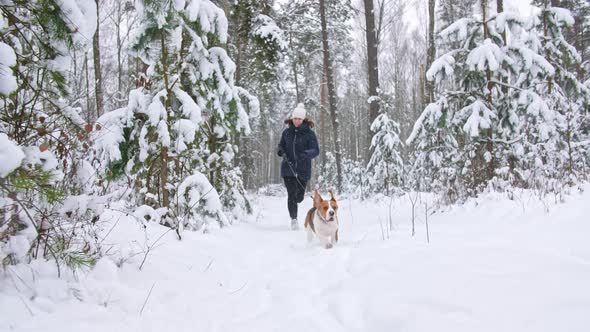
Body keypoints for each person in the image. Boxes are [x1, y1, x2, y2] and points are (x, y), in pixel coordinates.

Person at [277, 103, 319, 230]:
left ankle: (298, 202)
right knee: (291, 194)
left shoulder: (309, 134)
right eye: (295, 118)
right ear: (292, 118)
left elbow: (316, 150)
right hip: (288, 168)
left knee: (299, 197)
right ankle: (294, 219)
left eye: (299, 119)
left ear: (303, 120)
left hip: (303, 169)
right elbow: (281, 145)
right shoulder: (286, 133)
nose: (296, 121)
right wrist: (280, 151)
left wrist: (306, 154)